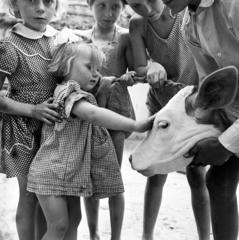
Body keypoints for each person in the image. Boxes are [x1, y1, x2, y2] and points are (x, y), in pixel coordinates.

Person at [26, 41, 154, 240]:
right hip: (50, 173)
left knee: (74, 220)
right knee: (58, 226)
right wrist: (135, 125)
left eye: (97, 69)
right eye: (88, 67)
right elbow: (93, 115)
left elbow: (93, 122)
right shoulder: (66, 93)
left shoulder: (81, 95)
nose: (95, 74)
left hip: (67, 173)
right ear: (66, 66)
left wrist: (102, 90)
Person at [124, 0, 211, 240]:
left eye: (151, 1)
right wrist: (151, 65)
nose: (148, 9)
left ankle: (205, 236)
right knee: (155, 173)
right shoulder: (138, 25)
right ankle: (147, 235)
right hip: (162, 105)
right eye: (137, 5)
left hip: (191, 108)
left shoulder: (184, 13)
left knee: (197, 175)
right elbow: (141, 67)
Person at [161, 0, 239, 240]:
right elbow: (215, 91)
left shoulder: (232, 6)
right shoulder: (188, 24)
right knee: (218, 181)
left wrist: (228, 142)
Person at [73, 1, 135, 239]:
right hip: (87, 113)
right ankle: (93, 234)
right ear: (90, 4)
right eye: (101, 5)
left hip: (116, 114)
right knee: (89, 178)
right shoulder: (80, 38)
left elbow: (137, 70)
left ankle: (115, 237)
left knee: (114, 179)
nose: (108, 13)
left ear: (122, 7)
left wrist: (130, 77)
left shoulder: (126, 37)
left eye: (115, 7)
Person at [0, 0, 62, 240]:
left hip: (53, 128)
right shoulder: (9, 45)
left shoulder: (58, 40)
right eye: (32, 1)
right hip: (24, 128)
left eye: (48, 2)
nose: (40, 8)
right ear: (15, 7)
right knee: (29, 194)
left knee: (47, 194)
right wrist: (33, 110)